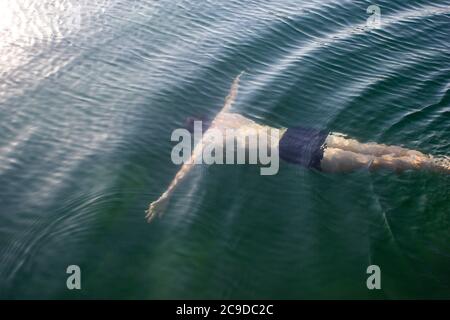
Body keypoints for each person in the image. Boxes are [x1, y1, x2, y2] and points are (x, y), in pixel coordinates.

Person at [146, 73, 449, 221]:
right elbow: (231, 97)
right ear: (208, 117)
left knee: (371, 163)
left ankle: (438, 168)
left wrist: (165, 197)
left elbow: (185, 170)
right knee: (373, 148)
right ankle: (436, 159)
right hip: (297, 133)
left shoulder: (209, 140)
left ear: (197, 132)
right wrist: (236, 81)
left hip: (294, 152)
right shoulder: (227, 115)